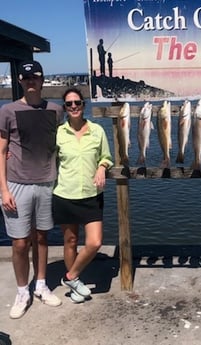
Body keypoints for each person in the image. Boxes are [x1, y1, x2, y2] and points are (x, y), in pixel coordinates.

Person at [0, 60, 63, 319]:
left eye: (35, 77)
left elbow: (66, 144)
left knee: (41, 238)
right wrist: (3, 189)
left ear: (42, 80)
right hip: (17, 184)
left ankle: (41, 285)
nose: (31, 82)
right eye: (26, 78)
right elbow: (1, 151)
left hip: (47, 182)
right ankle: (22, 290)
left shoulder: (56, 110)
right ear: (20, 81)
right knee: (19, 243)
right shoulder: (8, 111)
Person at [53, 87, 113, 303]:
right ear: (65, 108)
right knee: (70, 240)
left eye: (77, 103)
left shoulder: (97, 130)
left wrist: (102, 167)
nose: (74, 107)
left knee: (95, 242)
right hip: (64, 194)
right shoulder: (59, 133)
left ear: (83, 105)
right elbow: (43, 155)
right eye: (69, 104)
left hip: (91, 194)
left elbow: (106, 156)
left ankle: (70, 277)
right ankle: (76, 288)